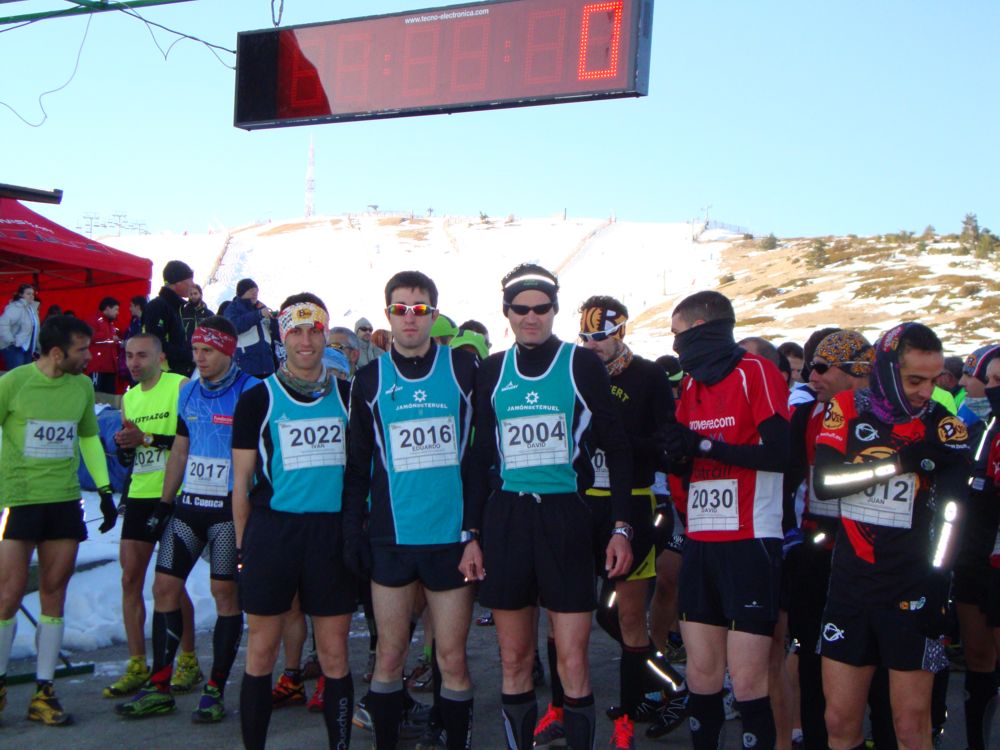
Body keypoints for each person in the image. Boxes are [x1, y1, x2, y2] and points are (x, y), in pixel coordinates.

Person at [463, 263, 634, 750]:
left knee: (573, 661)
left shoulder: (580, 364)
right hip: (508, 517)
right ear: (507, 313)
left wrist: (621, 526)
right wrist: (470, 533)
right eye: (521, 309)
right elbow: (479, 456)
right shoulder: (493, 370)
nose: (531, 317)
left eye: (541, 308)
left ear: (555, 311)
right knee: (514, 659)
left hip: (566, 517)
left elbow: (617, 446)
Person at [812, 322, 971, 750]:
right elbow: (826, 483)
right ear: (885, 370)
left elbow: (954, 517)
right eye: (915, 380)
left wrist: (940, 583)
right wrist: (899, 464)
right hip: (850, 586)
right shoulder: (847, 407)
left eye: (934, 380)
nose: (926, 391)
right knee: (838, 721)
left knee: (910, 728)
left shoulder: (943, 425)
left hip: (912, 589)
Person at [342, 271, 477, 750]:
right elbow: (357, 466)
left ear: (434, 315)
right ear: (388, 315)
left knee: (452, 659)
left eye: (419, 309)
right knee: (389, 657)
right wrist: (352, 532)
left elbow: (481, 456)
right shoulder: (369, 379)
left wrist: (476, 530)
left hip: (449, 540)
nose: (410, 318)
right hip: (392, 540)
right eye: (400, 309)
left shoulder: (463, 369)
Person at [659, 290, 789, 750]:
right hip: (701, 538)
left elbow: (780, 453)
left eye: (678, 335)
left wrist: (704, 447)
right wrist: (676, 456)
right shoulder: (692, 385)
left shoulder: (755, 371)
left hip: (750, 539)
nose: (675, 346)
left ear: (700, 329)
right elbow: (686, 459)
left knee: (748, 679)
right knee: (701, 673)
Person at [116, 316, 260, 722]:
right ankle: (159, 685)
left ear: (227, 350)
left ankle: (214, 690)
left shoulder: (251, 390)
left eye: (207, 351)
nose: (199, 358)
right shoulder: (189, 390)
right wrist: (165, 503)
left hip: (228, 511)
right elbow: (180, 449)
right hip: (189, 506)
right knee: (164, 587)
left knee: (223, 594)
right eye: (196, 350)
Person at [232, 293, 358, 749]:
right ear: (282, 338)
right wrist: (243, 548)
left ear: (325, 335)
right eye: (296, 332)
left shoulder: (348, 397)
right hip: (274, 532)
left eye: (315, 331)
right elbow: (241, 483)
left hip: (329, 534)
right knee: (262, 650)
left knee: (334, 654)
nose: (306, 341)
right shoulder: (257, 399)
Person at [0, 315, 117, 726]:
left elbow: (87, 436)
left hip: (64, 501)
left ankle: (44, 692)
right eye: (81, 350)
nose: (89, 357)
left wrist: (104, 490)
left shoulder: (81, 387)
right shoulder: (13, 383)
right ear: (55, 352)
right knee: (8, 595)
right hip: (21, 501)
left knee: (54, 593)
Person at [575, 295, 676, 748]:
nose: (591, 345)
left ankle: (639, 706)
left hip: (633, 502)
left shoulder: (649, 375)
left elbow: (666, 442)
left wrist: (618, 443)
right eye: (585, 337)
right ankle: (661, 685)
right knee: (597, 612)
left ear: (620, 332)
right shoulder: (579, 372)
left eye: (599, 337)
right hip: (585, 501)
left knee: (629, 616)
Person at [782, 330, 873, 750]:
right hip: (814, 548)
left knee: (873, 657)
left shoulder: (883, 416)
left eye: (820, 368)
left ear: (855, 371)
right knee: (811, 652)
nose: (810, 377)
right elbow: (790, 475)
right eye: (808, 368)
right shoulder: (806, 414)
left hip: (870, 552)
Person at [103, 333, 201, 699]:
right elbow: (135, 451)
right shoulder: (129, 398)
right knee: (130, 578)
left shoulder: (180, 386)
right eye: (129, 355)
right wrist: (125, 447)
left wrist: (146, 439)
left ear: (160, 357)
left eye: (142, 355)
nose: (133, 362)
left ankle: (187, 660)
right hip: (140, 494)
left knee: (170, 584)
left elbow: (189, 441)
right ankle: (136, 664)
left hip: (176, 494)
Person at [947, 345, 1000, 750]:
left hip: (995, 558)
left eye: (976, 378)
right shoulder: (970, 424)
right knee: (978, 659)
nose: (965, 384)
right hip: (969, 556)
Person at [143, 260, 195, 376]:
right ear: (178, 282)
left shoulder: (179, 307)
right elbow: (155, 342)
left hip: (182, 372)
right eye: (190, 280)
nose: (193, 284)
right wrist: (190, 356)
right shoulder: (158, 306)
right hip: (166, 374)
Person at [224, 278, 279, 379]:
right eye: (251, 291)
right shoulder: (233, 308)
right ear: (242, 292)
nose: (255, 294)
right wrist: (258, 315)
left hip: (268, 364)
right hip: (246, 365)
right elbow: (233, 326)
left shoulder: (262, 308)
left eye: (256, 291)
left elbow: (275, 335)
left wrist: (274, 321)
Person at [87, 296, 122, 404]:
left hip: (111, 368)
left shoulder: (111, 324)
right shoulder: (94, 321)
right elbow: (89, 338)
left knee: (109, 399)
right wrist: (110, 337)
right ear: (107, 308)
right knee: (96, 396)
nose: (118, 313)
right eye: (116, 309)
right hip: (98, 367)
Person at [0, 283, 40, 369]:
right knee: (17, 373)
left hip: (27, 348)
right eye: (28, 294)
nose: (32, 296)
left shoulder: (32, 309)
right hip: (15, 348)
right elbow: (2, 323)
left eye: (33, 294)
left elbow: (35, 329)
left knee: (24, 373)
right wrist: (11, 341)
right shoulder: (16, 307)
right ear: (21, 295)